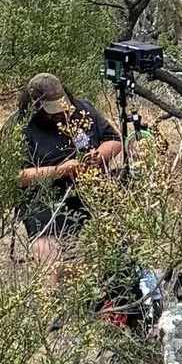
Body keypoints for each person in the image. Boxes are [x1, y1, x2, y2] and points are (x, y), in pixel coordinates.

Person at [15, 72, 124, 267]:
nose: (58, 113)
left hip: (89, 187)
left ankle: (124, 283)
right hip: (43, 197)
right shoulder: (20, 128)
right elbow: (17, 177)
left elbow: (113, 140)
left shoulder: (81, 110)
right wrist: (60, 170)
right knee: (45, 245)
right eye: (51, 110)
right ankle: (54, 294)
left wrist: (98, 156)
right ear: (35, 106)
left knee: (125, 217)